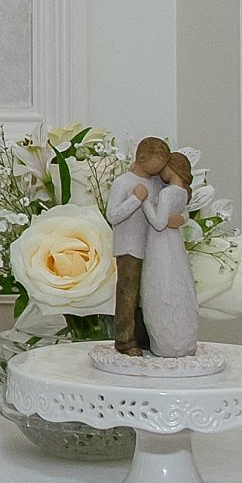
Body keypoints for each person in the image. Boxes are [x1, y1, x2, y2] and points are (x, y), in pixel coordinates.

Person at [105, 137, 169, 356]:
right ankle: (124, 339)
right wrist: (135, 199)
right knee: (128, 294)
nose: (158, 167)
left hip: (153, 247)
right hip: (129, 248)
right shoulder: (124, 182)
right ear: (141, 158)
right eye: (155, 162)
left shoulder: (158, 183)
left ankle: (144, 336)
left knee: (147, 293)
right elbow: (112, 215)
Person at [139, 151, 199, 358]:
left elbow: (158, 223)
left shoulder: (167, 193)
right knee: (178, 282)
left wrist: (143, 201)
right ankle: (182, 340)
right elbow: (180, 215)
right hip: (174, 243)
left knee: (161, 284)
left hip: (160, 243)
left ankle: (166, 343)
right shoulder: (182, 193)